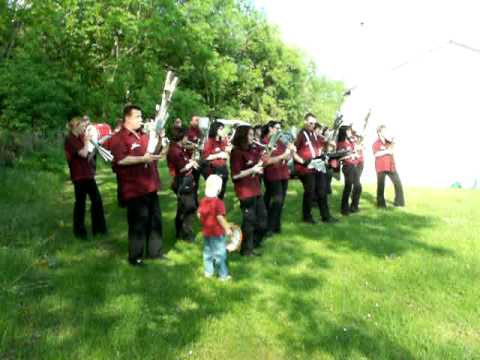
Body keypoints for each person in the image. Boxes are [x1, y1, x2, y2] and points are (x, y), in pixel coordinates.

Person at [110, 105, 165, 266]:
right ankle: (136, 257)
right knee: (138, 224)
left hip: (150, 185)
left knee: (155, 221)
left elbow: (155, 152)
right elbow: (120, 160)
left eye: (141, 117)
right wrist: (142, 159)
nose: (141, 119)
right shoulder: (119, 138)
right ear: (127, 118)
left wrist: (160, 139)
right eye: (138, 117)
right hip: (134, 188)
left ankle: (155, 253)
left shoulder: (144, 135)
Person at [64, 116, 107, 239]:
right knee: (80, 204)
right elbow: (82, 154)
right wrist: (87, 141)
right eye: (82, 127)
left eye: (84, 127)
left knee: (97, 201)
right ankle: (79, 232)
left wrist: (95, 145)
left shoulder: (81, 137)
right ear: (75, 127)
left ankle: (99, 229)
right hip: (79, 176)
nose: (84, 130)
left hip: (87, 174)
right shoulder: (70, 139)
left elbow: (88, 154)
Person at [230, 125, 267, 256]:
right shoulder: (236, 152)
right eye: (250, 135)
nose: (253, 137)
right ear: (243, 136)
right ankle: (247, 250)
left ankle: (253, 243)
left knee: (262, 220)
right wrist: (253, 170)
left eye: (253, 134)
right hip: (245, 192)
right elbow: (235, 175)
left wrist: (265, 155)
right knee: (249, 221)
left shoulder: (251, 149)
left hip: (256, 189)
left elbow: (259, 164)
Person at [294, 113, 337, 224]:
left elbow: (325, 145)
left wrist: (329, 143)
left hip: (318, 166)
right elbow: (292, 151)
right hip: (307, 168)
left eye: (314, 123)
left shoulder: (315, 135)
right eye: (310, 122)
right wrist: (302, 161)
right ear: (305, 122)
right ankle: (306, 216)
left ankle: (326, 216)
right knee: (310, 191)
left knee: (322, 191)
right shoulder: (301, 135)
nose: (312, 125)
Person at [167, 127, 199, 242]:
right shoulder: (175, 150)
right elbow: (181, 168)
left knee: (183, 208)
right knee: (189, 208)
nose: (187, 138)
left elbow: (184, 162)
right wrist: (192, 163)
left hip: (186, 180)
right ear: (181, 137)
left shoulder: (180, 149)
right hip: (182, 181)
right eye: (186, 136)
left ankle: (179, 232)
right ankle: (186, 234)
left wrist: (190, 162)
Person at [198, 174, 232, 280]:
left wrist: (204, 222)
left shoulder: (203, 201)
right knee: (220, 254)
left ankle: (208, 272)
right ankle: (223, 275)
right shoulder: (218, 203)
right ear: (219, 189)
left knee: (207, 252)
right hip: (217, 233)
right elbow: (220, 218)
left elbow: (199, 214)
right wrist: (227, 228)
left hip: (206, 232)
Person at [261, 121, 293, 234]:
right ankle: (269, 227)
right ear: (270, 128)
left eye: (280, 128)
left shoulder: (281, 141)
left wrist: (290, 153)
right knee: (277, 201)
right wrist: (281, 157)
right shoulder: (265, 142)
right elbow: (266, 161)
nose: (279, 131)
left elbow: (288, 157)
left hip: (283, 173)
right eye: (277, 128)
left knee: (280, 202)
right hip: (272, 175)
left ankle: (276, 226)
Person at [372, 125, 405, 207]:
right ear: (379, 132)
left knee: (397, 183)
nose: (385, 132)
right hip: (381, 167)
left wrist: (393, 142)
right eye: (383, 131)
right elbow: (376, 154)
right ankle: (381, 204)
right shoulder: (376, 143)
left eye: (386, 131)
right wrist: (386, 151)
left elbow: (392, 150)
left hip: (390, 166)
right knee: (381, 186)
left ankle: (399, 202)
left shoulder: (388, 142)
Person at [337, 125, 363, 215]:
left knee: (358, 186)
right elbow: (339, 157)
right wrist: (350, 156)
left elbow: (355, 151)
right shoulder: (341, 143)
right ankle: (344, 209)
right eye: (348, 131)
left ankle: (354, 206)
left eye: (350, 131)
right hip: (347, 167)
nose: (350, 133)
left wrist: (357, 151)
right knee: (348, 187)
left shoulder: (350, 142)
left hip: (353, 165)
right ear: (344, 132)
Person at [202, 121, 230, 199]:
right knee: (214, 193)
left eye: (222, 129)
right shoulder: (210, 142)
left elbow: (226, 152)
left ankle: (219, 208)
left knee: (221, 191)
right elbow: (206, 157)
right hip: (214, 170)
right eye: (220, 129)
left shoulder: (222, 141)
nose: (222, 131)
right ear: (215, 130)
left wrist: (227, 153)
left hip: (223, 168)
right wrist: (218, 155)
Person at [186, 116, 204, 202]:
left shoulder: (200, 131)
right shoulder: (187, 131)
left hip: (197, 158)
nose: (197, 122)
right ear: (191, 121)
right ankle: (188, 200)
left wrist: (200, 147)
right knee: (189, 180)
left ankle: (195, 200)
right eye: (195, 120)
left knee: (196, 180)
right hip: (188, 159)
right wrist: (193, 146)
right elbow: (183, 144)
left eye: (198, 121)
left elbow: (202, 143)